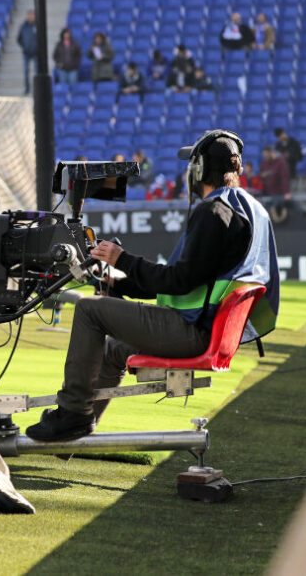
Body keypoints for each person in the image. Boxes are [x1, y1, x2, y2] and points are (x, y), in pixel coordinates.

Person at [26, 131, 279, 441]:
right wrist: (121, 285)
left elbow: (178, 280)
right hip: (209, 329)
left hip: (192, 332)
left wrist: (122, 260)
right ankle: (81, 427)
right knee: (112, 350)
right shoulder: (250, 208)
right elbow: (191, 280)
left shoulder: (213, 212)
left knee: (89, 309)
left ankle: (73, 412)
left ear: (197, 170)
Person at [17, 10, 37, 95]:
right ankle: (27, 88)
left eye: (33, 15)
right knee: (26, 71)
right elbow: (19, 39)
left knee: (37, 71)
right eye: (30, 15)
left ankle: (37, 89)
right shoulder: (23, 27)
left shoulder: (37, 26)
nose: (31, 17)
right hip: (26, 52)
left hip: (36, 52)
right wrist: (24, 46)